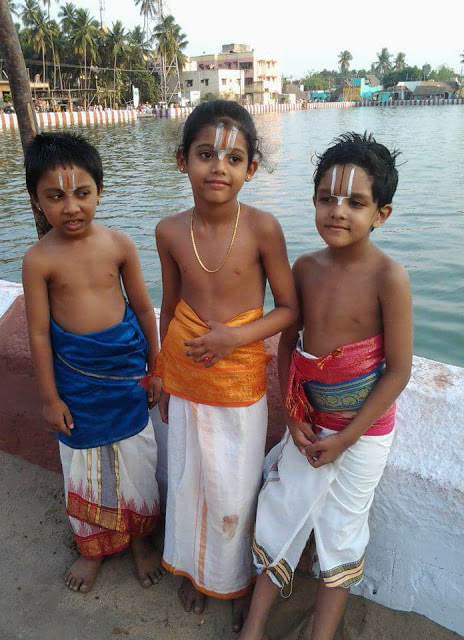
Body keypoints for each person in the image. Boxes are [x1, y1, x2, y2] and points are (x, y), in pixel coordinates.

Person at [237, 132, 413, 640]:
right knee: (280, 513)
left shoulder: (389, 278)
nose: (337, 211)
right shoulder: (305, 269)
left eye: (355, 202)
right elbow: (289, 344)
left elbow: (398, 371)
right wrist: (293, 416)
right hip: (309, 423)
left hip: (362, 432)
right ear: (313, 201)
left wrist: (347, 437)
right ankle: (253, 627)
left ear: (381, 214)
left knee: (341, 531)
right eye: (326, 198)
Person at [155, 100, 297, 632]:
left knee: (234, 489)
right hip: (187, 377)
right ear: (182, 161)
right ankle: (196, 572)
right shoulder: (169, 231)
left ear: (251, 169)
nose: (219, 167)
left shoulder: (263, 228)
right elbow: (170, 308)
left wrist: (234, 337)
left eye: (234, 158)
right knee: (190, 481)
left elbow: (289, 308)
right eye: (205, 154)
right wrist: (163, 374)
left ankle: (235, 580)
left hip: (239, 382)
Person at [22, 132, 164, 594]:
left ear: (99, 191)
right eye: (55, 196)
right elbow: (39, 333)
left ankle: (141, 540)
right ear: (36, 200)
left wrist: (156, 368)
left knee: (137, 460)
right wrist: (50, 398)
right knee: (83, 467)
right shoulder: (38, 260)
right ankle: (93, 548)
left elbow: (142, 309)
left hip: (126, 376)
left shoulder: (119, 245)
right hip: (76, 383)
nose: (71, 207)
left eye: (82, 193)